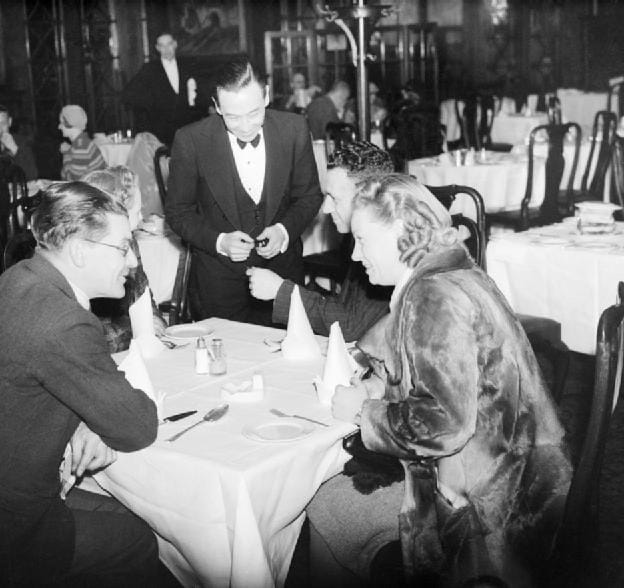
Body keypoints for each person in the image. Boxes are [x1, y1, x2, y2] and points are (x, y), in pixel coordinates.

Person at [306, 174, 573, 587]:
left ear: (399, 235)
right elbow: (446, 374)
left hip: (492, 514)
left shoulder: (430, 297)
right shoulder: (451, 272)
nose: (355, 255)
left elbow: (445, 424)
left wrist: (363, 413)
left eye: (362, 240)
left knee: (326, 501)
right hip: (525, 476)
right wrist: (379, 388)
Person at [0, 182, 160, 586]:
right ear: (79, 250)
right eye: (123, 246)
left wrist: (89, 417)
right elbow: (137, 427)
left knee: (123, 507)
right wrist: (104, 413)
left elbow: (39, 377)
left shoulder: (20, 277)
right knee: (141, 538)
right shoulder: (64, 320)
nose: (131, 261)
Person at [165, 57, 322, 326]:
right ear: (216, 106)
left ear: (267, 96)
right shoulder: (191, 140)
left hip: (281, 273)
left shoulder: (293, 129)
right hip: (218, 280)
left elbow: (309, 197)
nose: (246, 126)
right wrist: (219, 241)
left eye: (254, 113)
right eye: (233, 117)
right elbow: (178, 212)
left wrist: (284, 231)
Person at [247, 141, 393, 342]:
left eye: (335, 198)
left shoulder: (385, 248)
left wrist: (281, 291)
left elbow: (350, 328)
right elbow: (348, 311)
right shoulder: (359, 239)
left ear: (367, 197)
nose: (325, 208)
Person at [82, 165, 167, 352]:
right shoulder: (90, 255)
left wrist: (155, 319)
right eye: (136, 212)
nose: (141, 218)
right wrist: (137, 328)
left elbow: (143, 291)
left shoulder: (130, 244)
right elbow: (88, 338)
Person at [121, 33, 200, 146]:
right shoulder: (149, 69)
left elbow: (199, 95)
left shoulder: (187, 66)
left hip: (186, 129)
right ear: (157, 48)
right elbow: (128, 95)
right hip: (160, 132)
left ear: (175, 44)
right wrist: (152, 108)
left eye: (169, 44)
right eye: (162, 46)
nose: (166, 49)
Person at [59, 104, 106, 180]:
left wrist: (66, 154)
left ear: (70, 124)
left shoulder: (81, 147)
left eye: (62, 123)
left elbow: (74, 182)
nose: (59, 127)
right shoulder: (81, 142)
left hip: (93, 190)